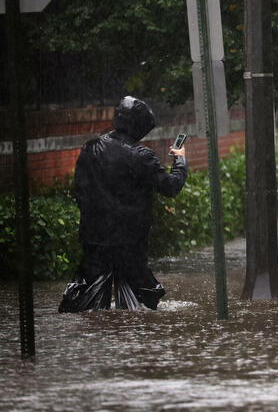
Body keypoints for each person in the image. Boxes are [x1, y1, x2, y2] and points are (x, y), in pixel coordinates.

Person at [58, 96, 188, 312]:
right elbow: (171, 186)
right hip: (129, 244)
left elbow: (79, 190)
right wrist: (181, 160)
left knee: (82, 301)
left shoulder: (91, 148)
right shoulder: (141, 156)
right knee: (145, 301)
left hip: (94, 240)